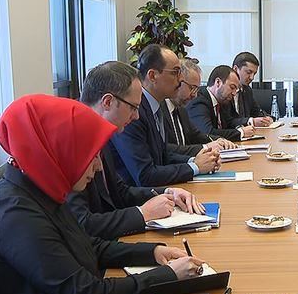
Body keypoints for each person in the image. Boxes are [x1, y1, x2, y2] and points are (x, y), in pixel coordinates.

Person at [0, 94, 206, 294]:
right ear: (59, 150)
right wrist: (167, 276)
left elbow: (87, 246)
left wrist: (153, 252)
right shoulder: (16, 213)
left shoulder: (40, 189)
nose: (97, 168)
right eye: (91, 156)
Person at [66, 61, 205, 240]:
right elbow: (83, 224)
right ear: (108, 102)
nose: (136, 116)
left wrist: (168, 193)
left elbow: (119, 191)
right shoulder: (70, 140)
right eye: (133, 107)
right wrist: (142, 213)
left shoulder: (100, 134)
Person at [109, 44, 220, 187]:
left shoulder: (156, 105)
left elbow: (162, 154)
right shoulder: (133, 112)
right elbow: (145, 175)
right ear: (152, 76)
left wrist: (195, 161)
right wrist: (195, 167)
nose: (181, 79)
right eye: (175, 72)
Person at [164, 59, 237, 151]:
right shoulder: (160, 110)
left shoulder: (181, 109)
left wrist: (219, 140)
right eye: (192, 88)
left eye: (196, 89)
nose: (194, 95)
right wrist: (205, 147)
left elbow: (196, 135)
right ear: (178, 81)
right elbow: (166, 150)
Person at [186, 65, 256, 142]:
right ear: (218, 82)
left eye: (236, 89)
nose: (234, 93)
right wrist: (241, 133)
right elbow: (208, 132)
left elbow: (230, 122)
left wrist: (246, 124)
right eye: (232, 87)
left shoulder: (222, 101)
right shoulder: (199, 101)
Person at [231, 52, 273, 127]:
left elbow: (256, 112)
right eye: (249, 72)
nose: (252, 78)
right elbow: (228, 121)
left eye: (254, 74)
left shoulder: (247, 90)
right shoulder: (225, 91)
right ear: (235, 69)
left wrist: (268, 118)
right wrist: (250, 121)